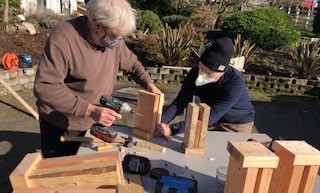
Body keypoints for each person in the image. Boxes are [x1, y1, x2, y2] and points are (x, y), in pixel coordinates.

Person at [34, 0, 161, 158]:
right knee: (60, 174)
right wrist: (90, 110)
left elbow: (133, 65)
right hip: (62, 124)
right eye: (114, 36)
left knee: (88, 172)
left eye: (120, 38)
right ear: (96, 22)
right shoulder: (64, 37)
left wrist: (148, 83)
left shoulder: (113, 40)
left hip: (94, 122)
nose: (116, 42)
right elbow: (46, 87)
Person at [154, 37, 254, 137]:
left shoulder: (235, 83)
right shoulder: (195, 72)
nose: (202, 75)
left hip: (236, 124)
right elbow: (179, 103)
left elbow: (211, 116)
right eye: (201, 69)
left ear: (221, 72)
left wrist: (172, 129)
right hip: (208, 118)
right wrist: (159, 122)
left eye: (208, 73)